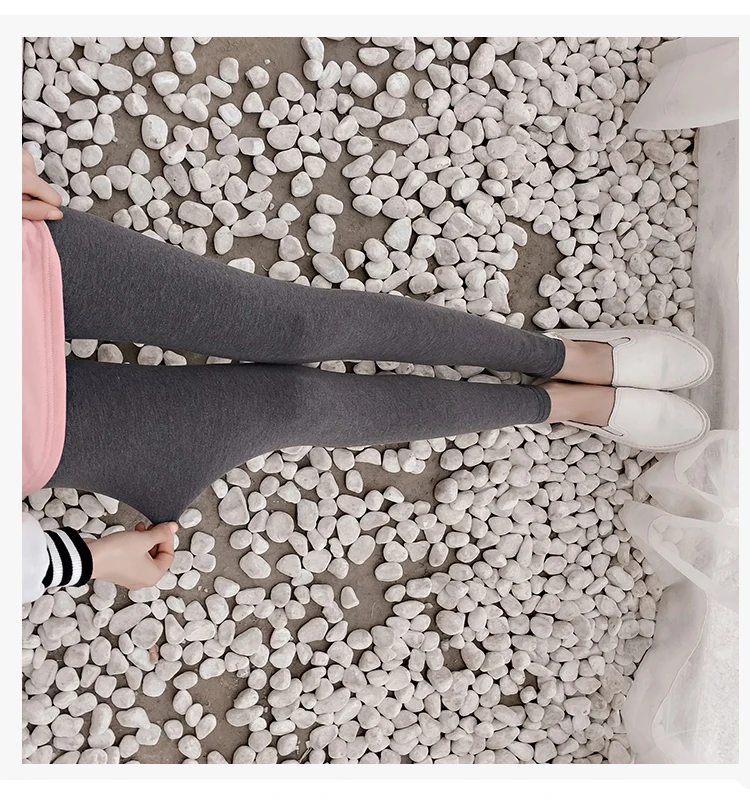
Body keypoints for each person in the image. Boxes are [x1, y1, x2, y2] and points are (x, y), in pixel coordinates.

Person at [21, 147, 714, 604]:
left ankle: (566, 356)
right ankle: (557, 405)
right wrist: (81, 560)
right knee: (291, 406)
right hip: (30, 437)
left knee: (298, 325)